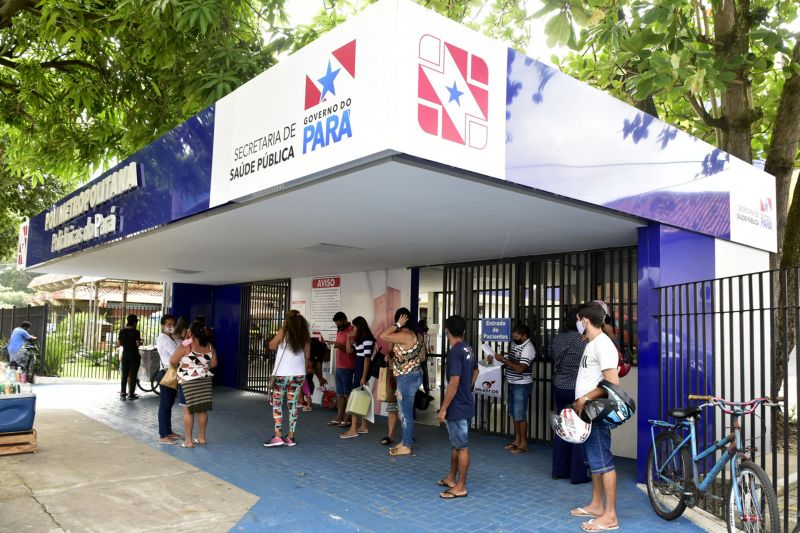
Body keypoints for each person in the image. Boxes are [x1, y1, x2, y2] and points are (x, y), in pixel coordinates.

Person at [570, 302, 621, 532]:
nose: (578, 323)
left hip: (595, 412)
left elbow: (612, 383)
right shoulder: (592, 343)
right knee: (595, 462)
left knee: (603, 462)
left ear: (585, 321)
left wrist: (585, 398)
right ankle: (596, 505)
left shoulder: (603, 344)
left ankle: (610, 516)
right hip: (587, 412)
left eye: (579, 319)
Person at [437, 314, 478, 499]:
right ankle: (451, 478)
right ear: (463, 330)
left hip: (457, 406)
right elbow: (476, 370)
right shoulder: (468, 348)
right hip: (466, 403)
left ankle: (461, 486)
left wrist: (443, 408)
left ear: (447, 331)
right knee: (456, 444)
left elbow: (454, 382)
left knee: (462, 446)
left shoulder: (455, 351)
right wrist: (468, 388)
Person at [551, 306, 591, 483]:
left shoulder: (558, 339)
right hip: (578, 390)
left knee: (563, 427)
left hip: (559, 386)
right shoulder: (584, 340)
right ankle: (578, 474)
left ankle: (559, 469)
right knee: (578, 429)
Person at [379, 307, 425, 456]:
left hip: (406, 378)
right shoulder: (415, 334)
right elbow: (422, 356)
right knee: (405, 413)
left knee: (405, 414)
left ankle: (406, 446)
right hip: (413, 375)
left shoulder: (404, 334)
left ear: (400, 319)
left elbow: (383, 335)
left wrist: (397, 325)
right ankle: (405, 441)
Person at [264, 313, 311, 447]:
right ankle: (291, 437)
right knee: (293, 405)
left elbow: (271, 346)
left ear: (288, 322)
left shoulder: (284, 332)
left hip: (282, 375)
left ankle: (278, 435)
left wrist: (281, 332)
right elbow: (307, 356)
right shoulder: (305, 336)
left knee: (277, 404)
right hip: (298, 375)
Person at [170, 321, 217, 448]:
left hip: (188, 382)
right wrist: (202, 365)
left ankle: (188, 441)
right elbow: (213, 364)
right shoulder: (209, 346)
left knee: (188, 411)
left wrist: (184, 364)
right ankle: (201, 438)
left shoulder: (186, 345)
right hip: (205, 381)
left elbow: (173, 360)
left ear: (190, 332)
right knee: (202, 410)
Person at [491, 323, 535, 454]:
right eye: (514, 333)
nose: (514, 336)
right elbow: (510, 361)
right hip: (512, 383)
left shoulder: (528, 348)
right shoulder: (516, 345)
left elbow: (521, 367)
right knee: (514, 414)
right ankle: (517, 440)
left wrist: (504, 360)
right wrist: (495, 359)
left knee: (520, 415)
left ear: (524, 335)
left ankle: (524, 444)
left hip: (521, 384)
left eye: (517, 334)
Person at [341, 316, 375, 438]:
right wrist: (349, 338)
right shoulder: (360, 339)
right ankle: (363, 425)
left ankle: (353, 428)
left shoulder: (367, 339)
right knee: (361, 398)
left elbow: (367, 359)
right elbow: (349, 351)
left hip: (362, 370)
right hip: (359, 369)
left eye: (354, 326)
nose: (352, 329)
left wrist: (363, 376)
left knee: (355, 397)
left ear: (359, 326)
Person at [155, 314, 182, 445]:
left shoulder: (173, 338)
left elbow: (181, 347)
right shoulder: (163, 339)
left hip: (172, 372)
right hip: (167, 372)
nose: (171, 326)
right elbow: (178, 353)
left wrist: (180, 339)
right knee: (165, 404)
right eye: (168, 324)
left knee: (169, 404)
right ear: (163, 325)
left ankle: (168, 431)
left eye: (173, 324)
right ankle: (163, 435)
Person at [327, 311, 355, 428]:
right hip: (339, 365)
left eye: (338, 323)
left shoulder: (352, 331)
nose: (337, 325)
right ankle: (339, 417)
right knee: (339, 394)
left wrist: (338, 345)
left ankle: (348, 418)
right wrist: (333, 345)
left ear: (344, 320)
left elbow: (351, 349)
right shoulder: (340, 330)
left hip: (348, 366)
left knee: (347, 393)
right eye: (336, 324)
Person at [299, 335, 329, 411]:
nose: (327, 361)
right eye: (327, 359)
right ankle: (304, 402)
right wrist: (320, 379)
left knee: (305, 381)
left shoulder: (318, 350)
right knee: (304, 381)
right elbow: (317, 368)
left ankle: (307, 403)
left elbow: (316, 368)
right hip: (307, 356)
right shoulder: (319, 350)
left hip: (307, 357)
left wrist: (320, 379)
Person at [117, 314, 143, 401]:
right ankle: (131, 394)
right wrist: (141, 342)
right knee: (133, 375)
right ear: (135, 322)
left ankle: (123, 394)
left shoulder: (122, 331)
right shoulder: (136, 332)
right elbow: (137, 344)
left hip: (125, 355)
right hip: (134, 356)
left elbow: (119, 344)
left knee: (124, 375)